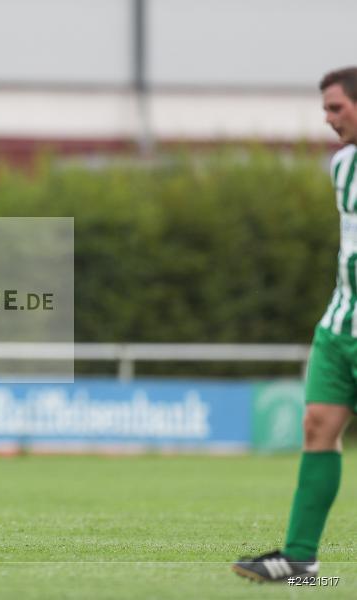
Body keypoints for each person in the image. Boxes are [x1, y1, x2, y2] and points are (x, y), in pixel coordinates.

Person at [233, 67, 357, 582]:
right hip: (340, 325)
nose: (327, 119)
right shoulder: (342, 166)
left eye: (336, 108)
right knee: (317, 427)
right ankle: (300, 559)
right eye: (325, 109)